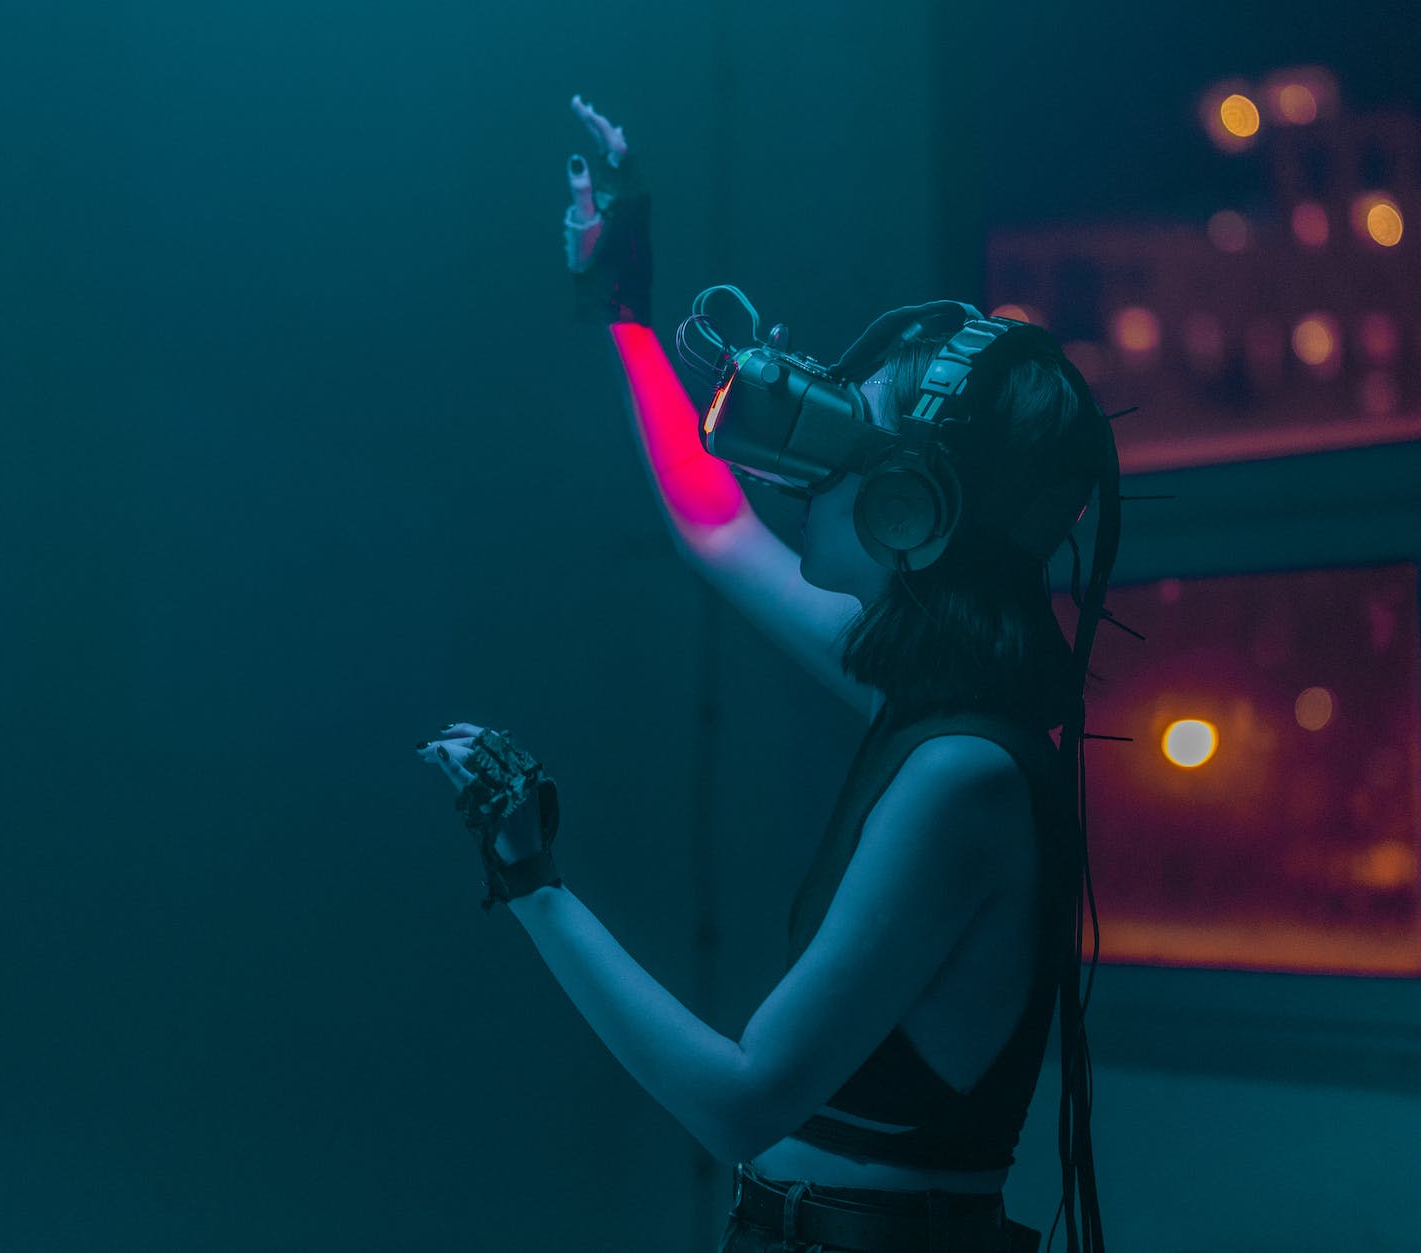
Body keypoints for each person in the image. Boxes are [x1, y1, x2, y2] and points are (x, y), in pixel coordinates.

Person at [420, 96, 1101, 1253]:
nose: (802, 457)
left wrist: (533, 885)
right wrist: (623, 311)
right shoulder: (940, 710)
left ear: (909, 509)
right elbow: (714, 525)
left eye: (852, 434)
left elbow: (741, 1098)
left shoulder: (960, 777)